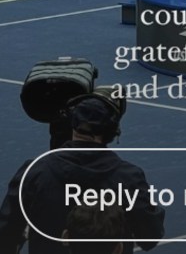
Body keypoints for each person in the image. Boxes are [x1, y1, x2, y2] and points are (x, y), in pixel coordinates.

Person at [0, 90, 164, 252]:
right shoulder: (129, 178)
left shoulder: (35, 171)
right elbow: (150, 236)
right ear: (111, 133)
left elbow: (6, 234)